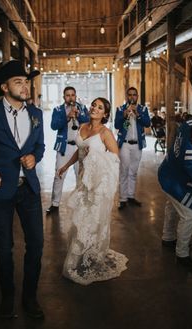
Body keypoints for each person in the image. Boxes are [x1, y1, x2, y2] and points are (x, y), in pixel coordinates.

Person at [0, 60, 45, 319]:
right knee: (3, 247)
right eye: (18, 82)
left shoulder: (37, 114)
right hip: (0, 190)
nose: (25, 86)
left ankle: (30, 297)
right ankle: (7, 297)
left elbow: (40, 146)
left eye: (26, 81)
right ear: (4, 87)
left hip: (29, 190)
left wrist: (35, 157)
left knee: (36, 245)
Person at [57, 97, 128, 285]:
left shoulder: (105, 133)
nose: (94, 109)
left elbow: (115, 158)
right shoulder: (82, 126)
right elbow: (79, 151)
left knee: (93, 219)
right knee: (81, 216)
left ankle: (86, 257)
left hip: (98, 183)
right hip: (83, 180)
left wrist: (95, 156)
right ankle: (83, 252)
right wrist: (65, 167)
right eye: (94, 105)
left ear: (105, 114)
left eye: (100, 107)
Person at [159, 119, 192, 274]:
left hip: (168, 169)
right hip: (174, 181)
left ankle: (167, 238)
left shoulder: (190, 123)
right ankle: (182, 255)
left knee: (172, 206)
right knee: (189, 215)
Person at [46, 86, 89, 214]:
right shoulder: (58, 110)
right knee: (59, 175)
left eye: (73, 95)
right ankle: (55, 204)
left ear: (76, 96)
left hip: (79, 147)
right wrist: (67, 117)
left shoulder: (82, 108)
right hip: (64, 147)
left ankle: (81, 202)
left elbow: (88, 123)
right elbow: (54, 126)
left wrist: (79, 114)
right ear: (64, 97)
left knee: (80, 176)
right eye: (68, 95)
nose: (71, 97)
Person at [114, 87, 151, 210]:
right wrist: (125, 115)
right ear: (126, 96)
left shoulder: (143, 109)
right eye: (129, 95)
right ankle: (123, 199)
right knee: (124, 170)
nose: (132, 97)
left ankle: (130, 196)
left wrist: (138, 114)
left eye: (134, 95)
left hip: (137, 144)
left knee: (133, 172)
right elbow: (117, 125)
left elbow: (147, 123)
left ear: (137, 96)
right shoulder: (120, 109)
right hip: (124, 144)